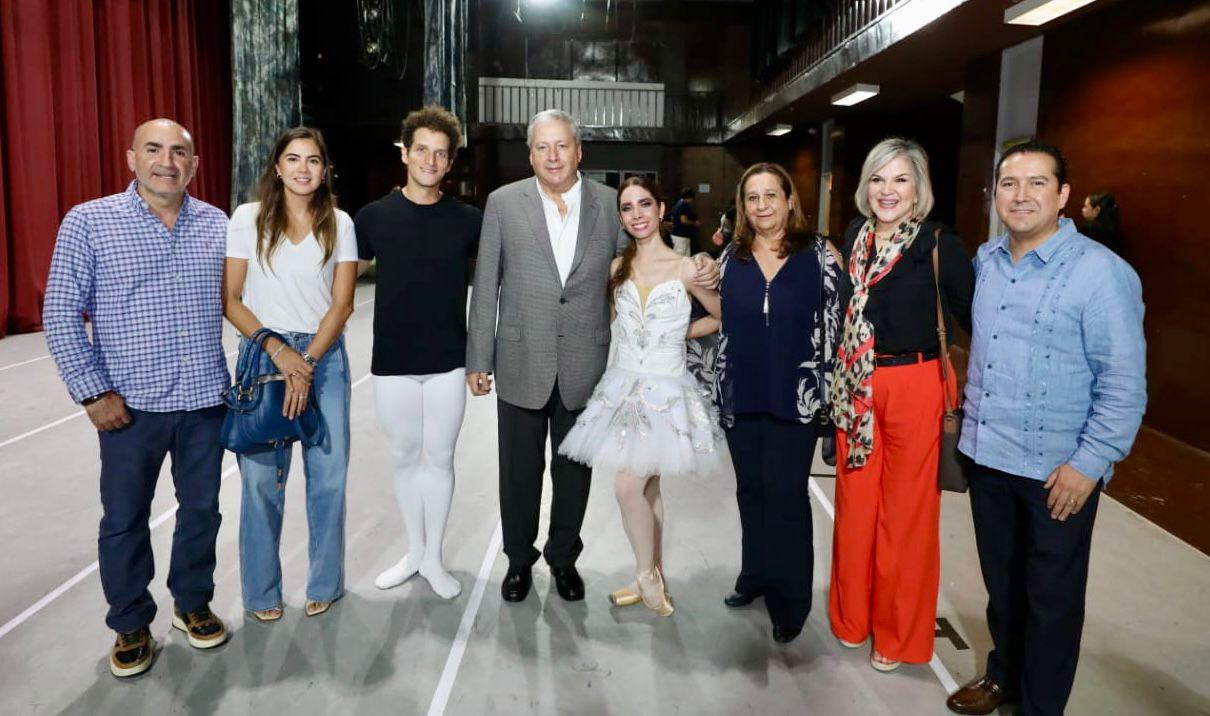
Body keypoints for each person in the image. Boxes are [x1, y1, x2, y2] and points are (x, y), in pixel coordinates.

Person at [466, 109, 719, 604]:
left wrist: (701, 261)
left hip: (587, 363)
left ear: (579, 151)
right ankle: (518, 561)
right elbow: (486, 281)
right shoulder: (503, 203)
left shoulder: (609, 205)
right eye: (542, 147)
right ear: (530, 155)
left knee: (573, 473)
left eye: (562, 145)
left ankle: (564, 559)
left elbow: (645, 255)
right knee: (517, 473)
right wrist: (479, 358)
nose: (553, 156)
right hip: (520, 357)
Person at [946, 141, 1146, 716]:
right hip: (989, 458)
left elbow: (1124, 383)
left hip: (1058, 471)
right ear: (995, 195)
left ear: (1063, 196)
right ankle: (1003, 677)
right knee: (1003, 587)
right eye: (1010, 183)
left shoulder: (1100, 273)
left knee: (1051, 599)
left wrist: (1090, 464)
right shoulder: (986, 263)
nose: (1021, 195)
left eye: (1038, 183)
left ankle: (1040, 707)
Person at [44, 118, 231, 677]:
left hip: (204, 401)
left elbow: (243, 298)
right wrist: (92, 392)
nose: (166, 161)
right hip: (129, 406)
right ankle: (130, 622)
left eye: (179, 152)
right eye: (154, 149)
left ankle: (192, 603)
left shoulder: (217, 225)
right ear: (132, 158)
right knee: (125, 519)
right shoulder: (89, 222)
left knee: (202, 512)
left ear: (194, 165)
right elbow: (60, 312)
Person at [828, 137, 974, 672]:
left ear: (918, 189)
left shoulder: (938, 244)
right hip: (857, 387)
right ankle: (852, 618)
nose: (887, 190)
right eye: (878, 179)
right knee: (855, 508)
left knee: (906, 517)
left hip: (916, 385)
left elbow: (976, 322)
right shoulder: (855, 235)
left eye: (900, 180)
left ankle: (896, 634)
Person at [558, 177, 724, 616]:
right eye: (628, 208)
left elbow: (722, 316)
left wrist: (678, 332)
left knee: (627, 485)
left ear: (661, 208)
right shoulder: (617, 268)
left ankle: (647, 576)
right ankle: (652, 575)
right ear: (621, 217)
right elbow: (607, 320)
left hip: (667, 393)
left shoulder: (687, 268)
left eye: (645, 204)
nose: (637, 215)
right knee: (647, 489)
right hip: (624, 388)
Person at [223, 127, 358, 622]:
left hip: (323, 360)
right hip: (264, 357)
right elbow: (231, 300)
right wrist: (279, 353)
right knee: (261, 483)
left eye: (314, 160)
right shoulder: (247, 218)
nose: (304, 168)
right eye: (294, 159)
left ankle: (325, 583)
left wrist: (308, 364)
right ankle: (261, 593)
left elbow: (342, 305)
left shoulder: (340, 223)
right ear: (277, 167)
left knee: (329, 480)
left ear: (325, 170)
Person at [714, 162, 845, 643]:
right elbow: (718, 319)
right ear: (743, 206)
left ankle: (790, 602)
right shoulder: (730, 258)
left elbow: (839, 327)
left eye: (771, 195)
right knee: (750, 490)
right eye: (752, 197)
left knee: (786, 495)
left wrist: (833, 399)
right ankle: (755, 576)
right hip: (742, 394)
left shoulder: (820, 255)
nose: (762, 205)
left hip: (798, 397)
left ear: (790, 201)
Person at [355, 106, 482, 599]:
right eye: (422, 150)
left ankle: (433, 558)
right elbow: (337, 279)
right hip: (393, 363)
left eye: (441, 153)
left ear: (450, 162)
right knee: (406, 456)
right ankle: (414, 551)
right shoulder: (373, 217)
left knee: (442, 458)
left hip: (448, 361)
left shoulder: (468, 220)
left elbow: (503, 275)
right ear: (405, 153)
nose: (431, 160)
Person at [1080, 190, 1124, 257]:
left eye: (1085, 206)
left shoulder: (1089, 229)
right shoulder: (1115, 228)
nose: (1082, 210)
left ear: (1097, 210)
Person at [667, 187, 701, 256]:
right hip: (680, 235)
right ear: (690, 197)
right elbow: (683, 220)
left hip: (681, 235)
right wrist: (694, 223)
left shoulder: (678, 204)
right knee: (680, 256)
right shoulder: (683, 206)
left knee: (685, 256)